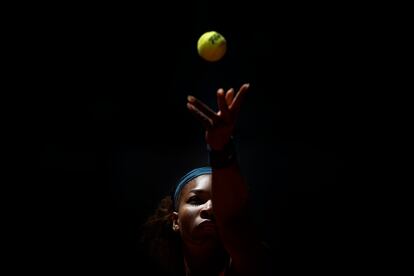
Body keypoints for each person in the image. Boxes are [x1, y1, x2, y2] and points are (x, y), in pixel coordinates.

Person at [140, 83, 272, 275]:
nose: (210, 208)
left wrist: (221, 149)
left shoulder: (251, 265)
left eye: (219, 202)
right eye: (195, 200)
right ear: (175, 221)